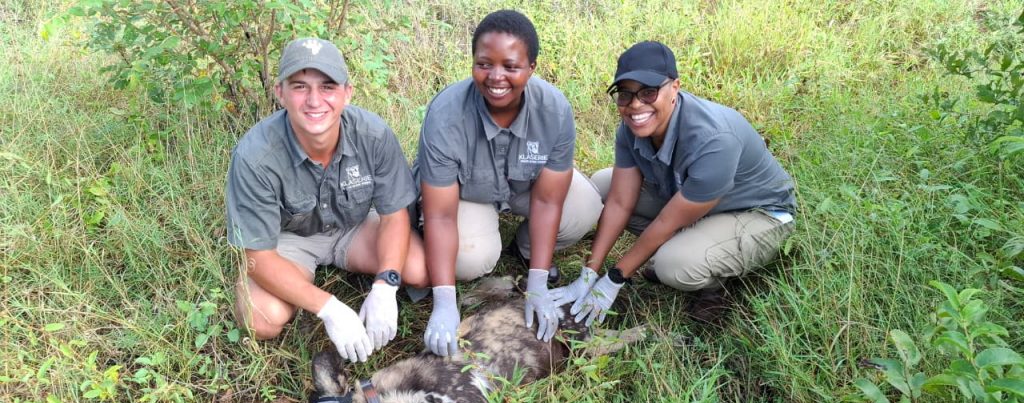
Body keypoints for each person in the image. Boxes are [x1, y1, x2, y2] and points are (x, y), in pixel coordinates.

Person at [552, 41, 797, 324]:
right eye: (625, 94)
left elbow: (668, 221)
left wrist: (615, 278)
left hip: (757, 214)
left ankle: (713, 285)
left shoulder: (714, 139)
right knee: (604, 185)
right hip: (691, 203)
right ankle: (689, 246)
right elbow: (620, 200)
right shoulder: (632, 126)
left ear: (675, 88)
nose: (635, 105)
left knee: (674, 265)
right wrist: (590, 273)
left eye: (648, 92)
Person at [226, 37, 428, 363]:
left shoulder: (373, 135)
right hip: (289, 240)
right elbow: (258, 256)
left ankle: (368, 283)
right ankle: (290, 285)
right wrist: (330, 308)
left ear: (347, 93)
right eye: (300, 87)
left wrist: (386, 285)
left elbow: (394, 215)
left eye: (328, 87)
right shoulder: (255, 155)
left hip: (355, 226)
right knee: (261, 318)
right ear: (280, 93)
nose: (315, 100)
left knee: (418, 269)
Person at [414, 10, 603, 356]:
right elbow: (440, 215)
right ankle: (483, 243)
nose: (496, 77)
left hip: (524, 187)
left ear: (531, 67)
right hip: (468, 194)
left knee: (584, 209)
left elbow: (548, 201)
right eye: (484, 64)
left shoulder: (555, 110)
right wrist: (444, 301)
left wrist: (537, 284)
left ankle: (526, 250)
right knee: (471, 260)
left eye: (511, 66)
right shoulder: (445, 115)